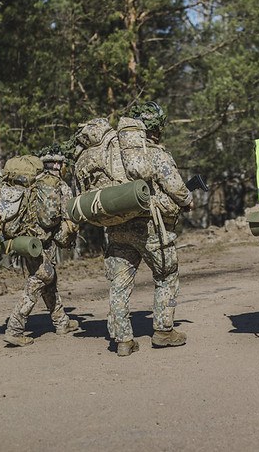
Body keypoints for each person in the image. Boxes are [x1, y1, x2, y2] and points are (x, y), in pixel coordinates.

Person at [104, 102, 194, 356]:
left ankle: (123, 339)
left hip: (118, 225)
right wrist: (187, 200)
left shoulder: (114, 156)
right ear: (157, 127)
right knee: (166, 275)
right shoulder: (153, 152)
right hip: (150, 227)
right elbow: (174, 186)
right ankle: (164, 332)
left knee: (119, 283)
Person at [3, 147, 80, 347]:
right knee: (40, 278)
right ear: (58, 164)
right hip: (41, 243)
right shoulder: (59, 186)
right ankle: (15, 328)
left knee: (49, 279)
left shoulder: (32, 182)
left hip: (27, 241)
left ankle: (61, 322)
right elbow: (68, 218)